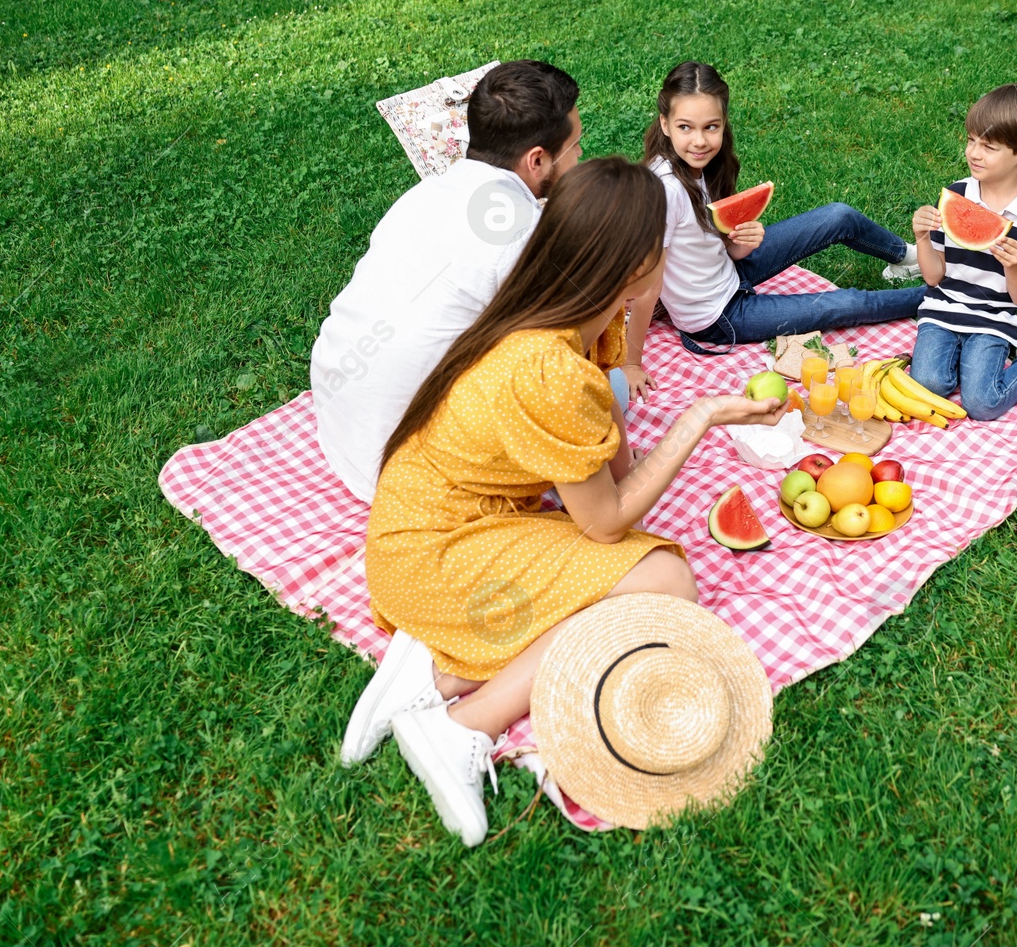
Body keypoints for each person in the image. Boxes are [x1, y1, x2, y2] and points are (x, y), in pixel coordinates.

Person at [337, 157, 788, 846]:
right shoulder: (547, 366)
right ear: (637, 261)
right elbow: (606, 521)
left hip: (434, 527)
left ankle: (436, 668)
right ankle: (463, 724)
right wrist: (699, 419)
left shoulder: (579, 320)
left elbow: (615, 461)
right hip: (438, 553)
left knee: (641, 570)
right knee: (666, 579)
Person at [309, 59, 614, 503]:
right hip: (410, 468)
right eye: (576, 147)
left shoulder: (427, 192)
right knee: (603, 395)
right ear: (537, 159)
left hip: (342, 425)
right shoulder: (524, 235)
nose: (582, 157)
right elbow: (554, 364)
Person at [619, 61, 926, 400]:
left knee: (839, 215)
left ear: (723, 123)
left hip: (730, 269)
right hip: (719, 316)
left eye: (711, 127)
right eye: (685, 127)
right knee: (848, 303)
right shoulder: (665, 190)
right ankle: (943, 297)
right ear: (664, 124)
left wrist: (743, 245)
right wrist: (632, 363)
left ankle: (908, 258)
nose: (700, 141)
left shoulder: (701, 167)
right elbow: (648, 286)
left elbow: (721, 246)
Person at [907, 83, 1017, 421]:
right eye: (971, 140)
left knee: (982, 403)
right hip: (942, 308)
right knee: (927, 385)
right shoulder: (956, 195)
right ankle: (959, 360)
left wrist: (1015, 266)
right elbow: (933, 276)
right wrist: (921, 239)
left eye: (988, 146)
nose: (974, 153)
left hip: (994, 318)